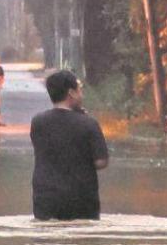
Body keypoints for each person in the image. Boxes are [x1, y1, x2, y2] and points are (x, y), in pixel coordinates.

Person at [29, 69, 109, 221]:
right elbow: (101, 161)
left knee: (46, 240)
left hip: (45, 199)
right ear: (71, 93)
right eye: (80, 89)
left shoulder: (37, 122)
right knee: (83, 241)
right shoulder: (88, 124)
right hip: (81, 200)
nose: (82, 94)